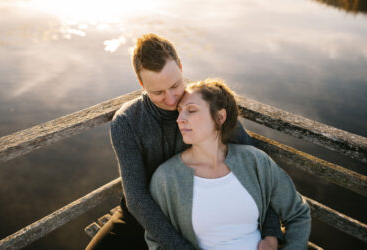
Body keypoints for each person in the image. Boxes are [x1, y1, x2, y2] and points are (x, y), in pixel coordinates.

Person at [86, 33, 283, 250]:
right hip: (144, 217)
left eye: (175, 85)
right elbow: (137, 199)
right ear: (141, 83)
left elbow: (261, 173)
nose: (171, 99)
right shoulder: (126, 122)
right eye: (158, 92)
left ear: (180, 67)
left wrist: (272, 232)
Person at [145, 79, 311, 250]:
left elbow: (298, 213)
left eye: (191, 110)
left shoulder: (255, 161)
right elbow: (156, 242)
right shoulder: (166, 178)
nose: (180, 119)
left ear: (220, 117)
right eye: (179, 111)